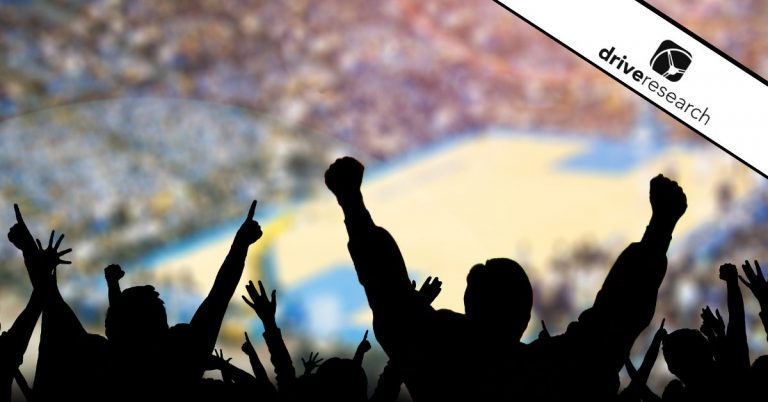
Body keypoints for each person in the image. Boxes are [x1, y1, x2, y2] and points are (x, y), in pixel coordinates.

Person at [325, 156, 687, 401]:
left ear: (468, 306)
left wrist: (352, 204)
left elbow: (389, 294)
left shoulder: (436, 358)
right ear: (525, 315)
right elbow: (613, 324)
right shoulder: (551, 373)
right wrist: (660, 229)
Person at [15, 201, 262, 402]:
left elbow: (49, 299)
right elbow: (219, 295)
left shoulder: (97, 362)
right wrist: (240, 245)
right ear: (164, 330)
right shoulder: (182, 361)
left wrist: (30, 251)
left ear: (112, 330)